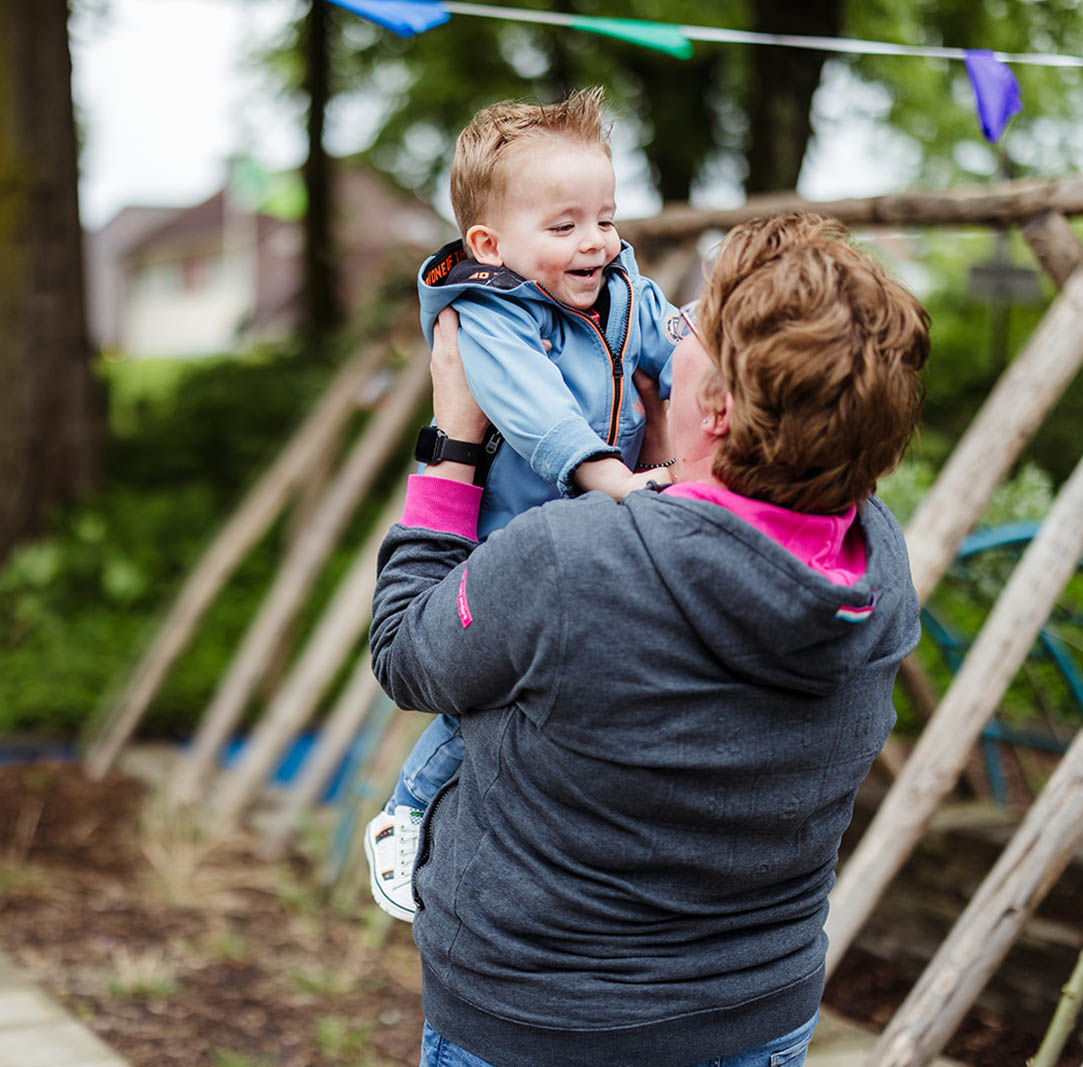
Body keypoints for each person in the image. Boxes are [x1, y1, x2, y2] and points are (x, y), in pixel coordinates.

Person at [367, 211, 930, 1067]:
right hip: (756, 1011)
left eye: (695, 322)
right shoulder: (874, 557)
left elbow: (407, 654)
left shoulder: (570, 559)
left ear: (717, 405)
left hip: (542, 1017)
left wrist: (453, 442)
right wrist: (678, 457)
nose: (673, 321)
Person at [365, 87, 681, 920]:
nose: (597, 241)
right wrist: (610, 475)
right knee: (492, 691)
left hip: (589, 529)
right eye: (566, 224)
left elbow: (677, 350)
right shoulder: (490, 314)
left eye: (606, 217)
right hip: (510, 540)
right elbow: (534, 408)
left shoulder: (621, 290)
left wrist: (722, 407)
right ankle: (408, 808)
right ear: (489, 244)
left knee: (560, 688)